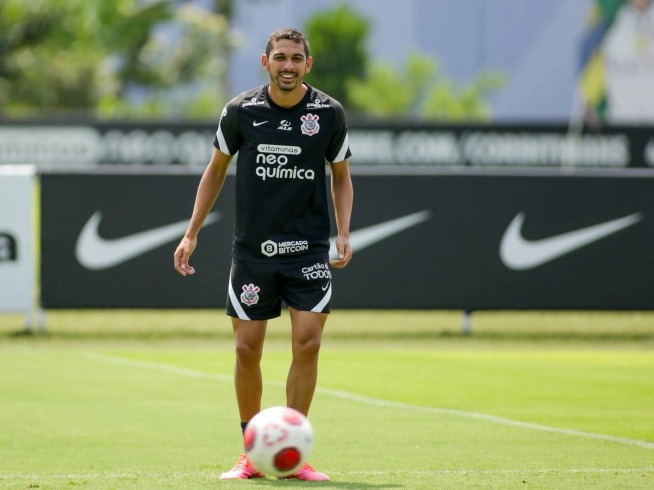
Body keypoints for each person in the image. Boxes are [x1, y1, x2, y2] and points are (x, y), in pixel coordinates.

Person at [173, 27, 353, 481]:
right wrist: (191, 232)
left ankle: (294, 455)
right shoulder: (241, 111)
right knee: (246, 348)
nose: (287, 65)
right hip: (253, 252)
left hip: (308, 252)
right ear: (265, 62)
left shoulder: (328, 114)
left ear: (307, 64)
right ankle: (251, 454)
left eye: (296, 58)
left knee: (308, 344)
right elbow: (215, 171)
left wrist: (344, 232)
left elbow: (342, 176)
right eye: (280, 57)